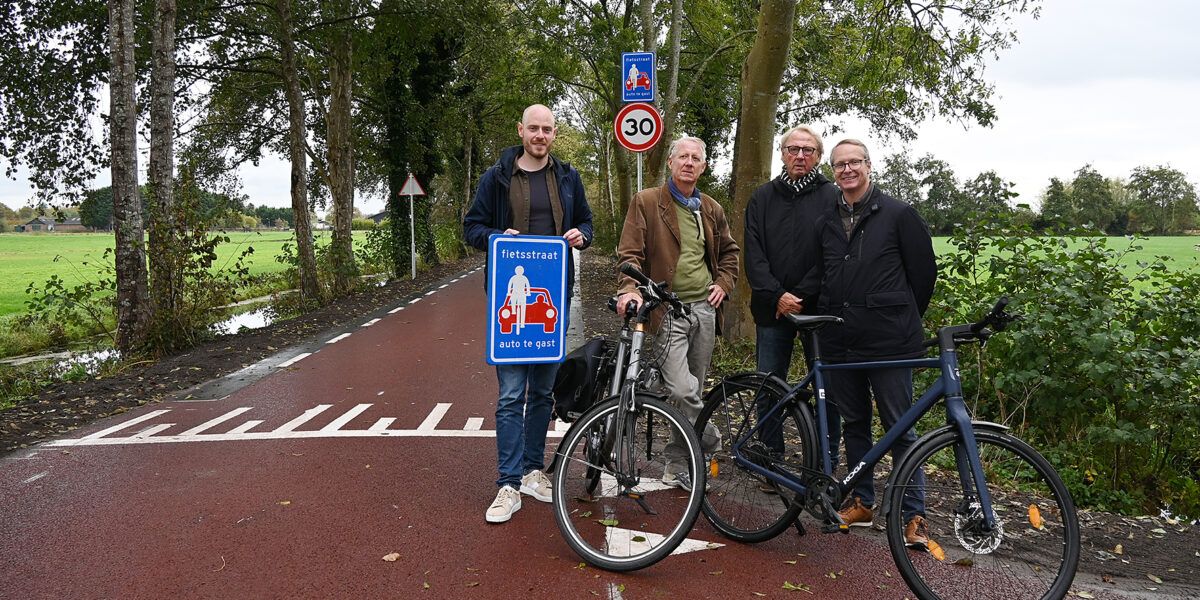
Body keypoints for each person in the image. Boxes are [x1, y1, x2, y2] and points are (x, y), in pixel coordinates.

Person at [463, 104, 593, 523]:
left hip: (553, 297)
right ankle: (508, 484)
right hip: (508, 298)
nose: (540, 135)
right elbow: (472, 228)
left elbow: (587, 224)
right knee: (511, 394)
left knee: (542, 392)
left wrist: (581, 235)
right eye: (533, 128)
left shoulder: (568, 177)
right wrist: (497, 236)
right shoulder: (497, 177)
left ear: (555, 134)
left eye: (547, 129)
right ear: (521, 130)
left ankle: (534, 472)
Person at [814, 139, 937, 547]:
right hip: (841, 340)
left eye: (854, 162)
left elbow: (923, 276)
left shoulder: (899, 214)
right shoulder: (826, 220)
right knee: (854, 423)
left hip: (890, 342)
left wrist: (897, 315)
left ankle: (914, 514)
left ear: (869, 166)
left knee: (900, 427)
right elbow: (820, 274)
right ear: (833, 172)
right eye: (839, 164)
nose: (847, 170)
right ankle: (862, 502)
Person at [615, 136, 739, 490]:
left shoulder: (711, 208)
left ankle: (675, 465)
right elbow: (630, 254)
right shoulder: (647, 202)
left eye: (695, 158)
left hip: (705, 309)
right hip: (667, 309)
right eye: (682, 156)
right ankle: (713, 441)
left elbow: (730, 252)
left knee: (693, 390)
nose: (688, 162)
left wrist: (724, 283)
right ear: (670, 162)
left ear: (703, 166)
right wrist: (629, 288)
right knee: (683, 391)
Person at [743, 125, 840, 467]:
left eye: (808, 150)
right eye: (793, 149)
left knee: (828, 388)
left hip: (819, 309)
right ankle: (771, 458)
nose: (800, 156)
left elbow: (833, 254)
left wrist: (799, 296)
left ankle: (825, 463)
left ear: (818, 156)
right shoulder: (762, 197)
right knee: (769, 384)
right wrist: (778, 296)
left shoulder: (833, 197)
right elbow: (753, 254)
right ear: (782, 154)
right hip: (772, 308)